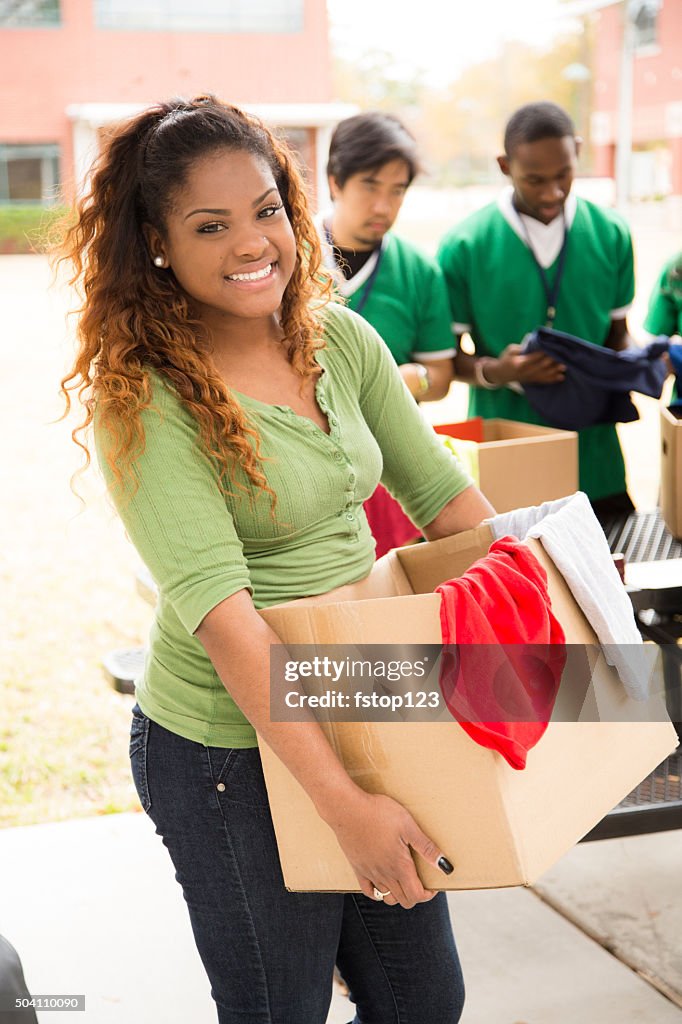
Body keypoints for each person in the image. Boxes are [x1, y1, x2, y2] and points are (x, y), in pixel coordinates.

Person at [58, 95, 494, 1024]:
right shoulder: (146, 396)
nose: (251, 241)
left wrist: (541, 622)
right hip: (227, 750)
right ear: (157, 243)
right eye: (209, 225)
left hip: (361, 695)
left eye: (265, 209)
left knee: (423, 1002)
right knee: (279, 1009)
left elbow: (450, 505)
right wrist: (344, 809)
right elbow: (229, 625)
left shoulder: (340, 337)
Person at [437, 101, 637, 522]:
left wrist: (635, 361)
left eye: (564, 174)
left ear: (577, 151)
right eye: (535, 180)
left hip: (595, 458)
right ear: (504, 165)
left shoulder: (612, 233)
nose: (553, 193)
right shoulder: (465, 245)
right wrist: (500, 371)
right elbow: (448, 359)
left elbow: (619, 333)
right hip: (508, 451)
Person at [322, 111, 456, 553]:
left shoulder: (419, 271)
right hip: (310, 473)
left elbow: (440, 376)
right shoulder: (287, 256)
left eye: (397, 190)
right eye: (370, 186)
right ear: (335, 181)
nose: (384, 206)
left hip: (394, 467)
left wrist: (390, 383)